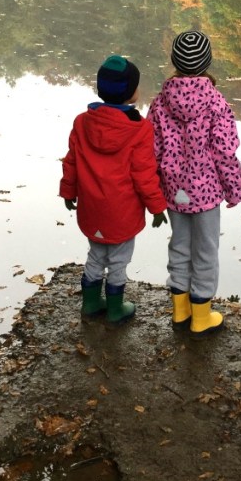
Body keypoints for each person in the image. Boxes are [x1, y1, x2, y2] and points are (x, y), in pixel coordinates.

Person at [147, 30, 241, 338]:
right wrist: (234, 189)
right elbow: (225, 150)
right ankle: (201, 315)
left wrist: (152, 189)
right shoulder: (216, 102)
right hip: (206, 192)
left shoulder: (160, 102)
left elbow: (150, 148)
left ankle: (180, 310)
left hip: (173, 190)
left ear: (174, 62)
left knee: (179, 245)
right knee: (205, 250)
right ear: (207, 63)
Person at [60, 55, 167, 325]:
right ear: (132, 93)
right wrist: (157, 207)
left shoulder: (82, 122)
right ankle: (116, 309)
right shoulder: (140, 130)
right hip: (122, 213)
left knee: (95, 255)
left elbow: (71, 160)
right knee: (118, 261)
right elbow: (144, 174)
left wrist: (68, 192)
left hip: (91, 209)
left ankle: (91, 303)